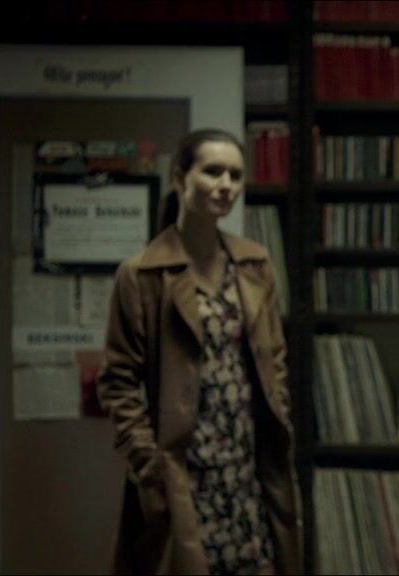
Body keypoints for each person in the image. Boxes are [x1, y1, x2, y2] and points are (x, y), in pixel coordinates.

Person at [97, 129, 301, 575]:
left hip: (248, 472)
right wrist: (150, 466)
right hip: (184, 476)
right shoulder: (142, 275)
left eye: (235, 175)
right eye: (213, 171)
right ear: (179, 178)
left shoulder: (254, 264)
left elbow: (274, 358)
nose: (226, 184)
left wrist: (278, 415)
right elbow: (117, 382)